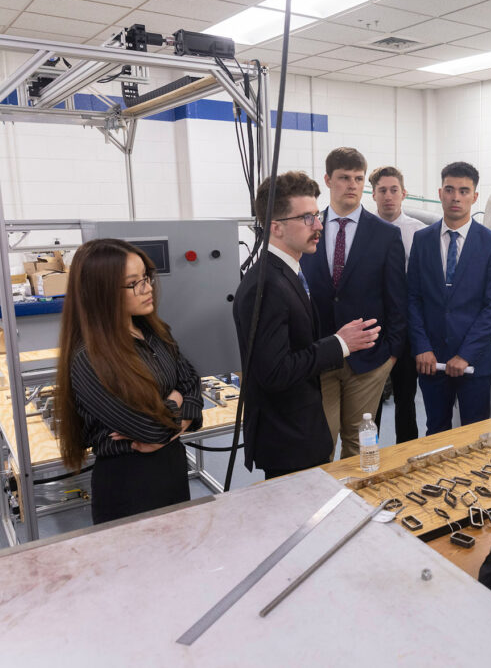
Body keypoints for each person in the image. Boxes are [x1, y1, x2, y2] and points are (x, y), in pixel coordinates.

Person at [235, 171, 379, 478]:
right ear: (275, 227)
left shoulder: (289, 272)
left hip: (301, 428)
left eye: (316, 215)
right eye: (307, 218)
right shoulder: (267, 286)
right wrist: (340, 344)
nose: (318, 226)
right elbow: (275, 372)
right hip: (286, 437)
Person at [55, 238, 203, 525]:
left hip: (171, 468)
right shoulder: (89, 359)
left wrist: (170, 412)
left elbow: (193, 385)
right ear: (102, 293)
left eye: (146, 277)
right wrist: (177, 404)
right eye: (134, 283)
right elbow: (150, 430)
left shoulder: (155, 333)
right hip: (129, 485)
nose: (147, 288)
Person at [299, 148, 406, 459]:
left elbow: (396, 297)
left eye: (358, 179)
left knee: (360, 446)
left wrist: (392, 353)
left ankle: (357, 507)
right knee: (321, 442)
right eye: (344, 178)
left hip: (369, 359)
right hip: (320, 354)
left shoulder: (386, 235)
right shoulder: (307, 227)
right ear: (328, 180)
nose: (352, 185)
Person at [408, 161, 491, 434]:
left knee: (475, 436)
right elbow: (413, 298)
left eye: (464, 191)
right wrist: (421, 348)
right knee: (435, 432)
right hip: (431, 360)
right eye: (450, 190)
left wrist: (465, 355)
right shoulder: (422, 240)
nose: (456, 197)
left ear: (475, 197)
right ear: (440, 193)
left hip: (475, 361)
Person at [370, 165, 425, 443]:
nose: (388, 196)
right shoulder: (364, 231)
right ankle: (369, 461)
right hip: (371, 331)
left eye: (394, 190)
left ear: (404, 193)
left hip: (406, 330)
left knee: (406, 400)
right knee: (370, 406)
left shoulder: (420, 234)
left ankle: (407, 461)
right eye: (382, 190)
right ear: (373, 195)